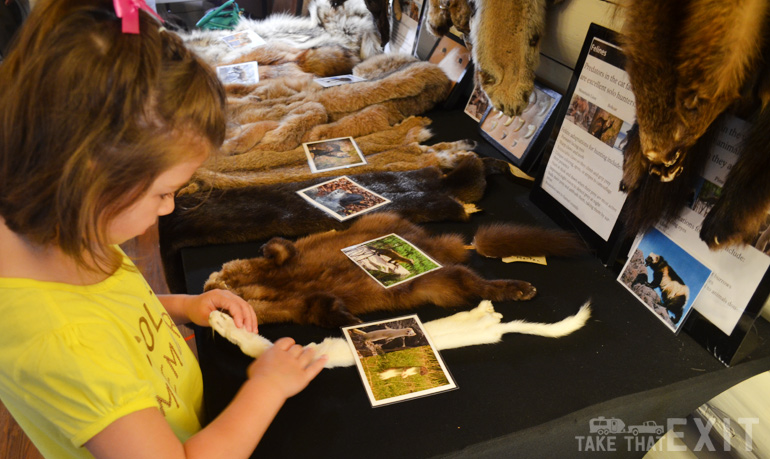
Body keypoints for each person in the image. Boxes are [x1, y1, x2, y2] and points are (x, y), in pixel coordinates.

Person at [0, 0, 327, 457]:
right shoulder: (62, 346)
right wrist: (268, 386)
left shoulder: (71, 234)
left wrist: (183, 306)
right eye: (162, 192)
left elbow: (113, 308)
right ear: (91, 178)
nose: (170, 206)